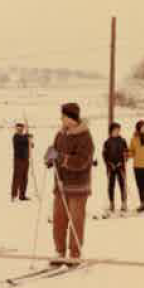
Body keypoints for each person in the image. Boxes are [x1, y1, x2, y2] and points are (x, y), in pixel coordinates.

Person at [45, 102, 94, 265]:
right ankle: (59, 251)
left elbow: (82, 161)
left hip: (78, 187)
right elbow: (55, 151)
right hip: (61, 185)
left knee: (76, 221)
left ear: (72, 118)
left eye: (63, 116)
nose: (61, 119)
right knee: (58, 220)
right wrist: (50, 158)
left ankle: (74, 253)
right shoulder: (60, 134)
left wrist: (61, 158)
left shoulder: (85, 137)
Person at [103, 122, 129, 213]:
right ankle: (111, 203)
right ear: (111, 131)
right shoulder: (107, 142)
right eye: (115, 130)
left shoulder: (122, 141)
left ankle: (124, 203)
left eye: (118, 130)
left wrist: (123, 161)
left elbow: (126, 153)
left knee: (122, 185)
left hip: (120, 167)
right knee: (111, 186)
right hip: (111, 167)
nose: (117, 132)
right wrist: (110, 164)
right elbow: (104, 155)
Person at [11, 123, 33, 201]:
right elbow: (22, 141)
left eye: (21, 129)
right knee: (17, 177)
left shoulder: (24, 138)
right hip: (18, 160)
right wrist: (27, 137)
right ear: (16, 129)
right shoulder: (16, 137)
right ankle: (14, 195)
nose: (20, 130)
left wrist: (30, 141)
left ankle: (22, 195)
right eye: (19, 129)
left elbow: (31, 145)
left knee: (24, 178)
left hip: (26, 159)